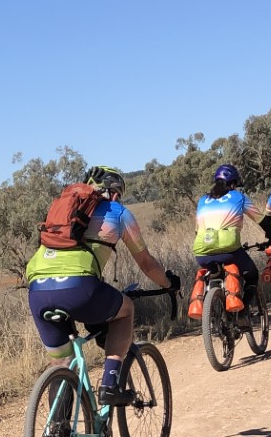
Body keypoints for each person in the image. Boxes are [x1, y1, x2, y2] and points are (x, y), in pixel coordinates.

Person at [23, 166, 179, 405]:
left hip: (37, 290)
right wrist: (168, 284)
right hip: (79, 287)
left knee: (61, 363)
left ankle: (59, 435)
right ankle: (110, 385)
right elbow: (147, 263)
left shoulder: (63, 213)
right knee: (124, 310)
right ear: (115, 193)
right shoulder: (117, 212)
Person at [186, 164, 264, 319]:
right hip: (230, 251)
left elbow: (197, 230)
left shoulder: (203, 200)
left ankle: (213, 305)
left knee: (214, 272)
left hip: (202, 253)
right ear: (233, 183)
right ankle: (242, 313)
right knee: (252, 274)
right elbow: (261, 220)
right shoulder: (238, 197)